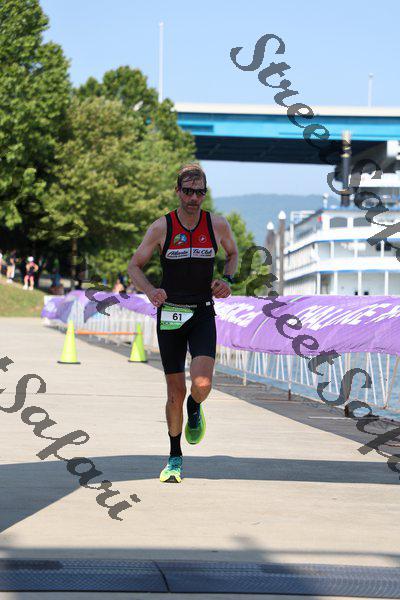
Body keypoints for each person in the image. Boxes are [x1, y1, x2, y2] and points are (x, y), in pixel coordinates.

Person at [128, 163, 238, 483]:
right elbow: (134, 266)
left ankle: (195, 407)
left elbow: (232, 254)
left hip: (202, 312)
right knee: (174, 391)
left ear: (205, 194)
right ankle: (174, 457)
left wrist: (227, 280)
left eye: (199, 192)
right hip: (171, 314)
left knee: (201, 385)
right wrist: (151, 291)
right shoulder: (162, 227)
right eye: (187, 191)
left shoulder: (217, 224)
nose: (193, 198)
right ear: (177, 191)